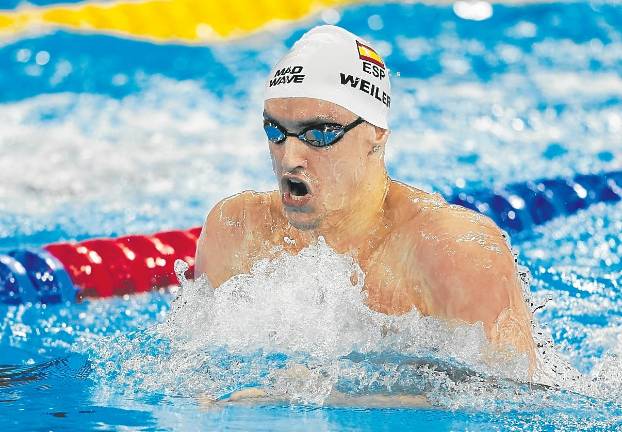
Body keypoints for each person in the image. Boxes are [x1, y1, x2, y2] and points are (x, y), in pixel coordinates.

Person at [194, 25, 536, 370]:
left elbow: (506, 399)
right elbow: (195, 372)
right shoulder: (237, 230)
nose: (289, 156)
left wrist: (309, 394)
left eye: (319, 134)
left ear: (376, 132)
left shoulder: (452, 250)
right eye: (275, 131)